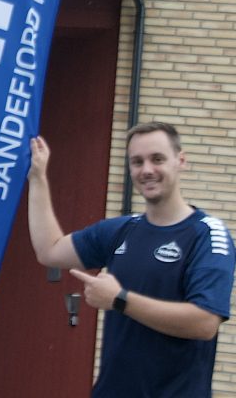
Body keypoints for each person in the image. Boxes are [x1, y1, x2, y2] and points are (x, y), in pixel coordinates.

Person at [28, 121, 235, 397]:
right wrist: (38, 178)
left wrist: (119, 299)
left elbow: (205, 322)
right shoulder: (120, 230)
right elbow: (50, 250)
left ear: (181, 161)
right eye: (137, 162)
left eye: (157, 159)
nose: (146, 170)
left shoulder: (207, 235)